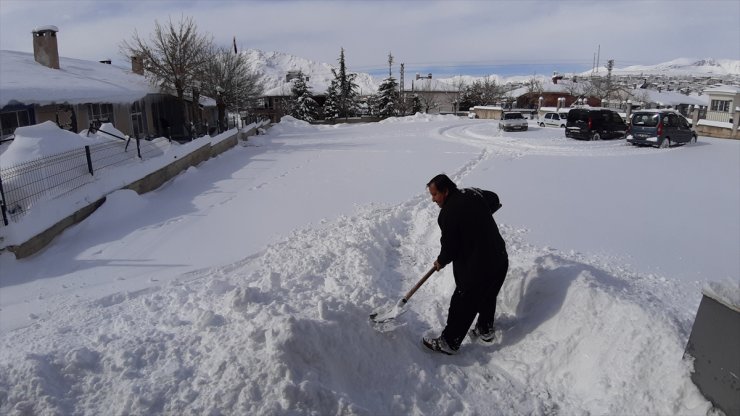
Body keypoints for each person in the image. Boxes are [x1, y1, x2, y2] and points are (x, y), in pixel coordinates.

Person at [422, 174, 509, 355]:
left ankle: (449, 342)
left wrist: (441, 261)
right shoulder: (472, 193)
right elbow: (493, 198)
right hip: (499, 259)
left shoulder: (447, 214)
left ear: (445, 192)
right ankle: (485, 329)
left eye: (435, 195)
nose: (433, 200)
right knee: (488, 294)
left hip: (479, 266)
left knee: (463, 301)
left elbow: (450, 248)